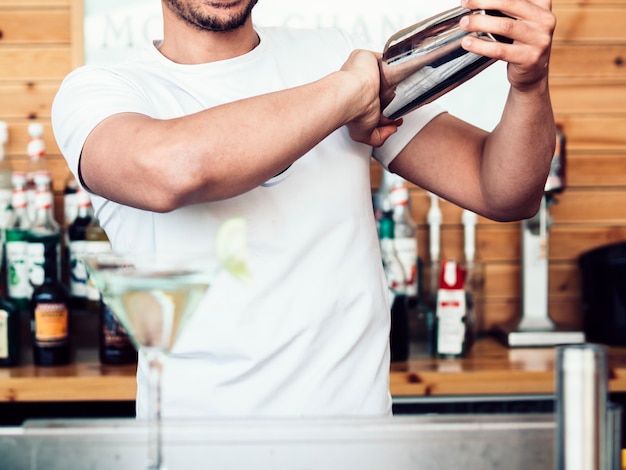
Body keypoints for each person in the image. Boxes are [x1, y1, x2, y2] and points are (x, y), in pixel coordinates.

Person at [52, 0, 556, 418]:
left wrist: (529, 86)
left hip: (356, 451)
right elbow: (172, 170)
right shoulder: (100, 93)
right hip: (200, 453)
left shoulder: (331, 54)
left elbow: (504, 192)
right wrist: (344, 94)